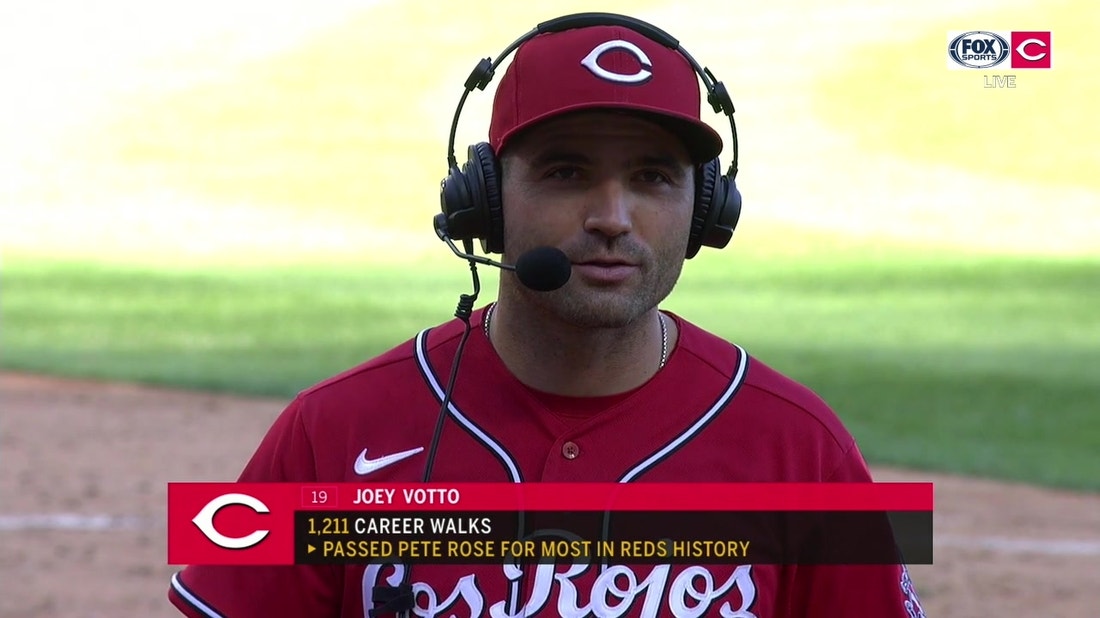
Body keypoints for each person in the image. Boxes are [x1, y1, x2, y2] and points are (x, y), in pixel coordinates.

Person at [169, 14, 926, 618]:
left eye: (653, 177)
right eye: (566, 172)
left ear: (704, 213)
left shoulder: (803, 450)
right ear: (487, 203)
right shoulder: (331, 431)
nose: (611, 217)